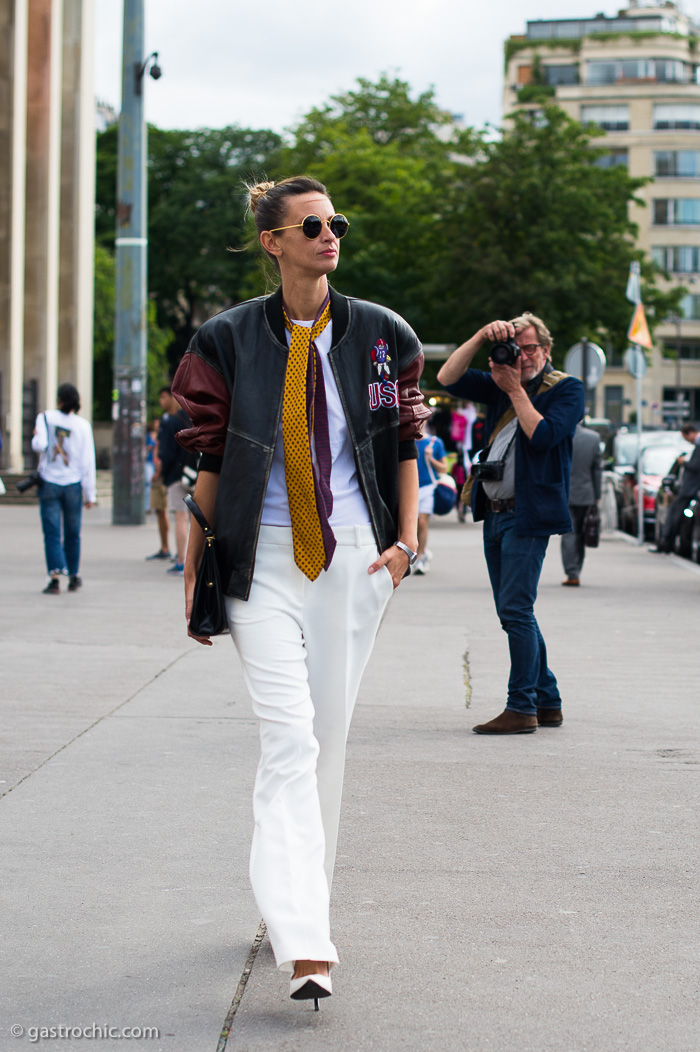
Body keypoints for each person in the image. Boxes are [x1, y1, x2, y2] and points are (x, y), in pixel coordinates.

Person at [171, 175, 428, 1005]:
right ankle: (307, 945)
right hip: (260, 559)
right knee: (290, 739)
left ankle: (293, 908)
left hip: (354, 557)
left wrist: (406, 542)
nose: (329, 235)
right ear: (273, 241)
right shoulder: (227, 338)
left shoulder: (382, 335)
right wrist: (196, 567)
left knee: (329, 744)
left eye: (336, 223)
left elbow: (403, 441)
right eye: (311, 225)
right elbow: (208, 458)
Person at [438, 313, 584, 734]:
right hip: (495, 512)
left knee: (516, 610)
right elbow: (448, 377)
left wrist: (515, 389)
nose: (521, 356)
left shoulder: (567, 389)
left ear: (547, 350)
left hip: (529, 514)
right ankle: (548, 699)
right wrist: (482, 334)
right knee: (513, 611)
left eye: (530, 348)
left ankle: (522, 707)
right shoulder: (499, 380)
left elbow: (543, 436)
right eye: (515, 348)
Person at [31, 383, 96, 594]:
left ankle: (55, 576)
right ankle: (74, 575)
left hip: (49, 482)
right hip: (74, 485)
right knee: (73, 533)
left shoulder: (45, 417)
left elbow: (39, 445)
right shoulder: (83, 425)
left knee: (51, 533)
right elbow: (88, 461)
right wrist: (90, 493)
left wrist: (35, 435)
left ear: (59, 399)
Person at [561, 420, 602, 586]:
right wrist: (597, 494)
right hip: (586, 493)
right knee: (582, 532)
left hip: (565, 493)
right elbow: (597, 470)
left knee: (569, 533)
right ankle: (577, 568)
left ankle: (572, 572)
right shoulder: (593, 438)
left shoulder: (561, 437)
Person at [157, 387, 191, 576]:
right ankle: (199, 561)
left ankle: (181, 561)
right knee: (198, 520)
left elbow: (167, 454)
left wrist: (166, 474)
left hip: (177, 477)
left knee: (180, 517)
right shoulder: (194, 419)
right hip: (198, 475)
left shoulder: (172, 422)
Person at [652, 422, 700, 553]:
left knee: (674, 514)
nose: (686, 441)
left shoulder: (698, 444)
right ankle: (667, 544)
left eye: (685, 437)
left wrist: (683, 462)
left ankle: (666, 544)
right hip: (691, 489)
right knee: (676, 514)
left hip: (690, 489)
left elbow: (696, 467)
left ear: (689, 433)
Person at [415, 418, 448, 574]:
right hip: (410, 489)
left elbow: (444, 468)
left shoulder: (435, 443)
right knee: (412, 524)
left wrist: (431, 458)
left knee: (422, 522)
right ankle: (422, 551)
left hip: (427, 487)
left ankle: (420, 557)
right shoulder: (406, 440)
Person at [145, 391, 172, 561]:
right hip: (161, 472)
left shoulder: (173, 420)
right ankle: (165, 547)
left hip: (165, 474)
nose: (161, 401)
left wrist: (158, 471)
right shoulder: (165, 421)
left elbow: (165, 450)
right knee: (160, 510)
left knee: (168, 511)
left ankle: (170, 549)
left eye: (163, 397)